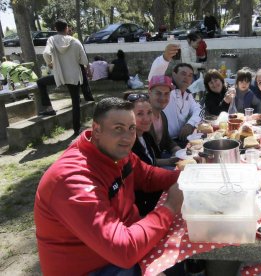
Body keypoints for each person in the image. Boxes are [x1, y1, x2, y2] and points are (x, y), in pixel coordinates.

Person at [34, 97, 184, 275]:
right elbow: (124, 251)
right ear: (96, 130)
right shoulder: (73, 180)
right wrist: (170, 207)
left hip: (120, 246)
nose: (128, 138)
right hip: (95, 268)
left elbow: (149, 176)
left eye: (131, 128)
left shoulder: (117, 153)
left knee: (179, 248)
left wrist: (189, 178)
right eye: (118, 129)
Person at [148, 44, 202, 147]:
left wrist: (190, 123)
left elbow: (199, 110)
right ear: (174, 74)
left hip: (179, 143)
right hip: (162, 144)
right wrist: (165, 58)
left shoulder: (188, 95)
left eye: (190, 75)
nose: (187, 78)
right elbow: (154, 77)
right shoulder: (167, 91)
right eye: (183, 73)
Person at [42, 18, 89, 135]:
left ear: (55, 29)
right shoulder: (75, 41)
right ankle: (77, 129)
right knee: (75, 102)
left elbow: (46, 53)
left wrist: (50, 63)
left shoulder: (52, 40)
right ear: (67, 28)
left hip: (59, 75)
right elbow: (84, 60)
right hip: (74, 76)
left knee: (40, 83)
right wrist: (87, 69)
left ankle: (48, 107)